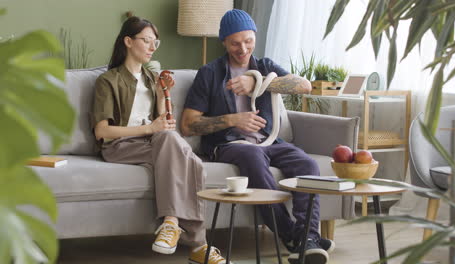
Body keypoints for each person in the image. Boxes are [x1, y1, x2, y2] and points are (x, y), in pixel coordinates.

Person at [181, 9, 333, 264]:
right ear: (224, 43)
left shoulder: (265, 67)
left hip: (270, 141)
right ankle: (296, 237)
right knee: (252, 156)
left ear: (255, 37)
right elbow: (187, 125)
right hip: (229, 144)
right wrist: (232, 120)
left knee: (307, 164)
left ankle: (307, 238)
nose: (243, 48)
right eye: (235, 43)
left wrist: (258, 82)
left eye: (248, 41)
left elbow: (304, 86)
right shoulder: (210, 73)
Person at [91, 16, 230, 264]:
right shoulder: (108, 80)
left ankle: (183, 234)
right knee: (187, 158)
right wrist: (150, 130)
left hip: (153, 143)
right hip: (119, 146)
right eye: (147, 41)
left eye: (156, 42)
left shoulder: (152, 79)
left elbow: (163, 123)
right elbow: (102, 132)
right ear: (128, 41)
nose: (153, 47)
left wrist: (164, 94)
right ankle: (185, 234)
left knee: (191, 161)